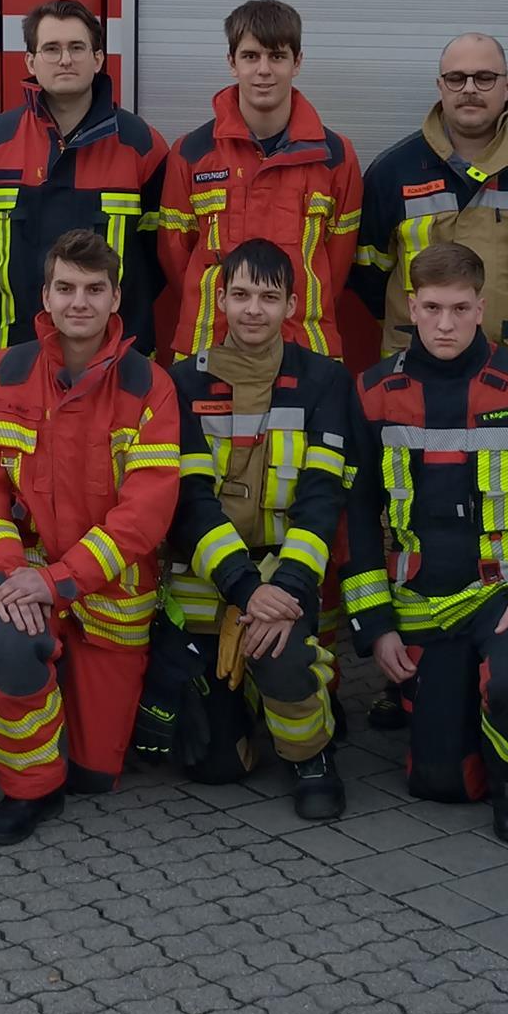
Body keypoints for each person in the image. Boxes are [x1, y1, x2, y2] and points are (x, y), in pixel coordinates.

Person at [344, 240, 508, 843]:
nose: (444, 324)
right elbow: (354, 511)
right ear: (410, 306)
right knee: (440, 783)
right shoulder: (372, 392)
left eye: (458, 308)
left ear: (481, 306)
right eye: (431, 308)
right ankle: (459, 715)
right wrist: (375, 625)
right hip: (423, 604)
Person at [0, 230, 185, 847]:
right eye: (65, 288)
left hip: (110, 599)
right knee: (11, 644)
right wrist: (8, 576)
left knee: (95, 774)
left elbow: (144, 514)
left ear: (116, 298)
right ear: (44, 296)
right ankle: (28, 788)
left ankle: (50, 703)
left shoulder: (150, 385)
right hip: (23, 583)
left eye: (93, 289)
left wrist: (58, 580)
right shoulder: (1, 373)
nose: (78, 302)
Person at [152, 239, 359, 818]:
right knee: (214, 767)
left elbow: (322, 498)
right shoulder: (180, 384)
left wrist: (286, 590)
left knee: (281, 653)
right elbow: (190, 504)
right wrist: (246, 588)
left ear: (293, 305)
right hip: (209, 581)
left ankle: (311, 756)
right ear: (219, 300)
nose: (252, 310)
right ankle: (245, 706)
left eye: (269, 298)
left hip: (288, 574)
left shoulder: (324, 381)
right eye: (240, 295)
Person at [0, 0, 168, 368]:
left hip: (114, 367)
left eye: (77, 47)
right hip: (8, 368)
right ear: (30, 61)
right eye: (51, 49)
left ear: (98, 58)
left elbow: (160, 261)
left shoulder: (141, 147)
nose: (65, 59)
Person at [156, 0, 362, 363]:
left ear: (297, 63)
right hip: (208, 348)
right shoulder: (190, 153)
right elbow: (175, 255)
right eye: (251, 56)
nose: (263, 70)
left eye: (277, 56)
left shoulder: (336, 156)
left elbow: (339, 261)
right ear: (231, 63)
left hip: (306, 350)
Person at [354, 31, 508, 369]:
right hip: (415, 371)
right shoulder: (393, 171)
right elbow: (368, 276)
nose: (469, 89)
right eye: (456, 78)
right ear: (440, 86)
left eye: (484, 78)